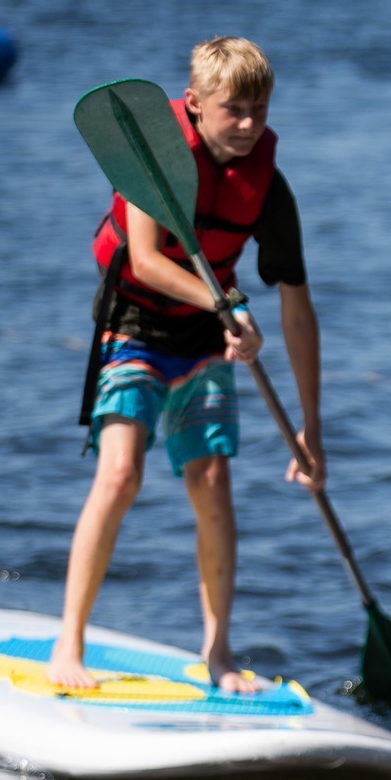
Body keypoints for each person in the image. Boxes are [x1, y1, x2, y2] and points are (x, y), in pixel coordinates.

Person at [48, 36, 325, 693]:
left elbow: (297, 311)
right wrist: (231, 305)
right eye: (234, 110)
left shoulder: (268, 187)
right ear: (195, 104)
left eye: (260, 109)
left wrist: (311, 427)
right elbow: (146, 261)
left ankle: (219, 653)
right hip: (133, 326)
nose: (249, 124)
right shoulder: (151, 159)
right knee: (121, 474)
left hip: (204, 335)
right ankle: (69, 641)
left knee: (212, 480)